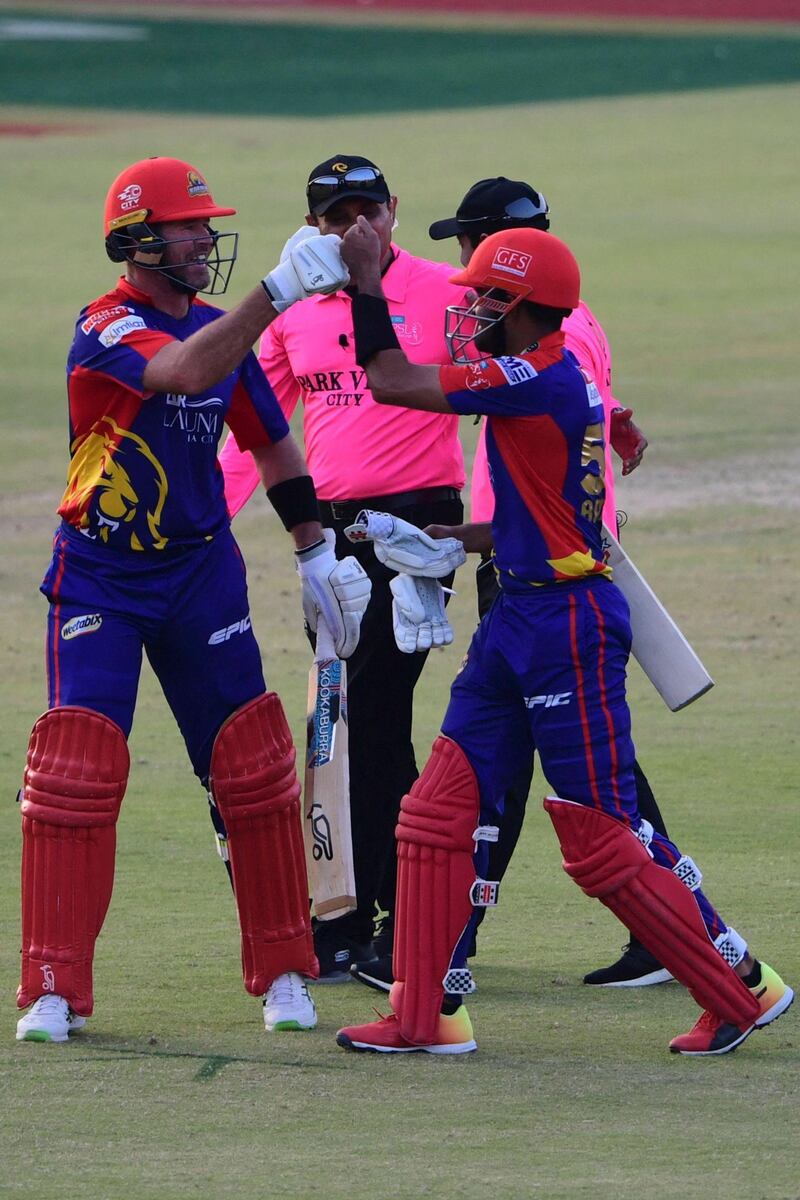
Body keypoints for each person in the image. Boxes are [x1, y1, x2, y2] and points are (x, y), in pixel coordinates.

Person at [334, 218, 792, 1056]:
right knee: (438, 812)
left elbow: (392, 378)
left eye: (483, 298)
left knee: (602, 832)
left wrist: (366, 282)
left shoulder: (533, 374)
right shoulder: (554, 376)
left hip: (565, 627)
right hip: (520, 612)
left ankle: (743, 988)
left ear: (519, 306)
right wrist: (449, 541)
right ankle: (424, 1013)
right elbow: (540, 510)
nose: (469, 310)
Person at [14, 155, 372, 1044]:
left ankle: (288, 973)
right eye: (191, 227)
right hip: (101, 571)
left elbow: (275, 444)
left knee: (251, 769)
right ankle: (53, 988)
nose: (207, 239)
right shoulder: (105, 326)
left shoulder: (224, 332)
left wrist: (316, 551)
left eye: (209, 226)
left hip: (201, 574)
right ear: (139, 239)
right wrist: (277, 293)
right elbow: (179, 371)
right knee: (77, 772)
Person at [218, 154, 467, 981]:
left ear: (395, 209)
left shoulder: (445, 288)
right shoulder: (293, 306)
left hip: (418, 532)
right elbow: (256, 431)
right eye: (336, 215)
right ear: (314, 222)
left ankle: (375, 920)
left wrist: (601, 421)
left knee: (368, 715)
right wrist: (199, 526)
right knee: (346, 718)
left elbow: (530, 366)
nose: (355, 227)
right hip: (331, 540)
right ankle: (362, 915)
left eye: (369, 209)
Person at [422, 176, 671, 990]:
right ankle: (444, 963)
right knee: (547, 768)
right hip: (531, 558)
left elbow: (565, 415)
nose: (464, 275)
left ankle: (691, 945)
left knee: (587, 787)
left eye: (471, 249)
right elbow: (599, 418)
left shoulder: (541, 357)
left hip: (554, 582)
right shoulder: (569, 328)